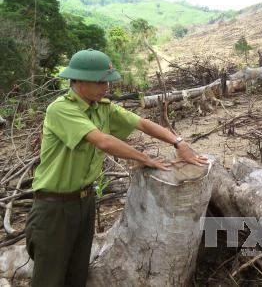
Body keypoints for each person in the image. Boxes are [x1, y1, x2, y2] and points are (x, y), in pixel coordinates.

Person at [25, 49, 208, 287]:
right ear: (79, 80)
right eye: (101, 81)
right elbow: (103, 141)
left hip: (85, 201)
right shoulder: (61, 109)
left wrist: (178, 142)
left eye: (108, 81)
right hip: (54, 207)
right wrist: (146, 158)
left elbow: (141, 123)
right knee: (49, 279)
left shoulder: (102, 107)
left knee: (76, 274)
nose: (107, 87)